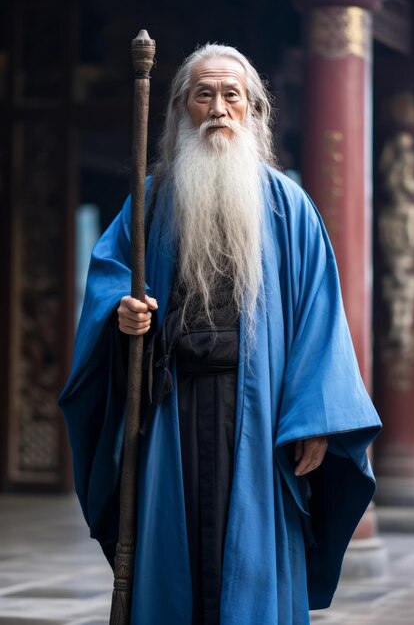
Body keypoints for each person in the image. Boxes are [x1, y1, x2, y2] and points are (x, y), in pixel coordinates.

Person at [59, 43, 382, 625]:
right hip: (170, 408)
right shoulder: (152, 202)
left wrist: (314, 420)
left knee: (251, 561)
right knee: (173, 558)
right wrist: (123, 316)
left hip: (257, 417)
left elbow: (319, 318)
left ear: (253, 110)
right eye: (202, 94)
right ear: (181, 109)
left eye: (232, 95)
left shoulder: (290, 208)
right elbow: (110, 285)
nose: (218, 107)